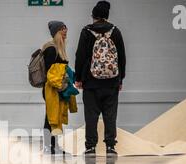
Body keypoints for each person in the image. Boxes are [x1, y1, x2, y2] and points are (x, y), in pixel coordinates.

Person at [75, 1, 126, 155]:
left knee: (91, 116)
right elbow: (122, 57)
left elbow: (80, 56)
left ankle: (90, 146)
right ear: (107, 16)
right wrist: (120, 79)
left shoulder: (86, 32)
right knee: (110, 115)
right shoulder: (115, 32)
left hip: (91, 83)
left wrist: (78, 78)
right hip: (111, 82)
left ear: (94, 16)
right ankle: (110, 146)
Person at [42, 21, 78, 155]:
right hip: (52, 89)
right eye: (62, 29)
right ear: (56, 32)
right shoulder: (51, 48)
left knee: (56, 118)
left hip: (60, 88)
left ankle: (55, 146)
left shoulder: (59, 48)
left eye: (66, 28)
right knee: (50, 118)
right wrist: (61, 84)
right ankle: (47, 146)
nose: (66, 30)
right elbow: (50, 73)